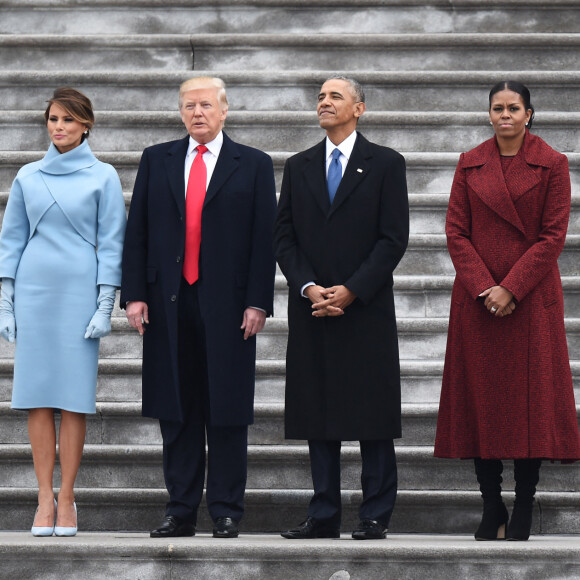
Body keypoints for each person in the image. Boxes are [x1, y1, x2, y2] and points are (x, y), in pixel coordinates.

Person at [121, 76, 276, 539]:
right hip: (169, 301)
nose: (198, 113)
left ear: (225, 110)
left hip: (229, 306)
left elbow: (262, 241)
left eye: (206, 105)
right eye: (189, 106)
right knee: (177, 409)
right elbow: (139, 231)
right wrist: (135, 294)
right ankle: (180, 509)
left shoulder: (253, 164)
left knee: (226, 408)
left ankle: (226, 509)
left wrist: (257, 302)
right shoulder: (157, 159)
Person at [434, 80, 580, 541]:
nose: (505, 115)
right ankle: (491, 504)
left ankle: (523, 504)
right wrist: (485, 287)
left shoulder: (553, 163)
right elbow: (456, 232)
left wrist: (511, 288)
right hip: (479, 303)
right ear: (489, 114)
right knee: (483, 403)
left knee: (530, 406)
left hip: (530, 298)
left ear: (529, 114)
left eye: (513, 108)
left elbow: (552, 236)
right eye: (497, 108)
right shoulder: (469, 162)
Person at [274, 76, 409, 540]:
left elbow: (393, 238)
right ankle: (324, 513)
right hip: (313, 309)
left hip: (365, 308)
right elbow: (284, 237)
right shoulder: (299, 165)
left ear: (360, 108)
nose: (324, 103)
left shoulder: (387, 164)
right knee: (319, 413)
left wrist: (352, 290)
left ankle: (375, 513)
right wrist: (310, 287)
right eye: (320, 97)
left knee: (372, 416)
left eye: (335, 96)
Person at [0, 87, 126, 537]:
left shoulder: (104, 175)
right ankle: (43, 498)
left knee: (73, 400)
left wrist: (104, 304)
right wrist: (6, 300)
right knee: (36, 397)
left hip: (77, 296)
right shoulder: (28, 176)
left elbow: (113, 241)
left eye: (68, 120)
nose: (59, 127)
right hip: (34, 294)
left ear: (85, 124)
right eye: (53, 119)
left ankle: (68, 497)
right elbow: (10, 240)